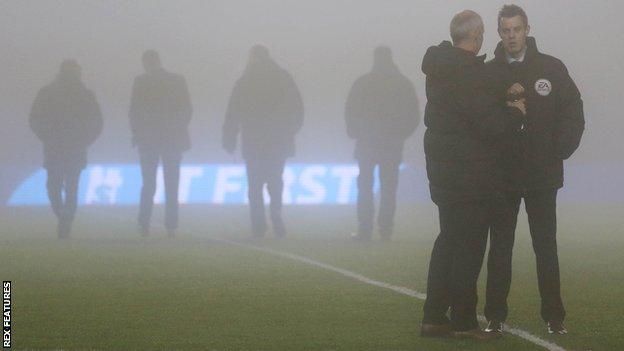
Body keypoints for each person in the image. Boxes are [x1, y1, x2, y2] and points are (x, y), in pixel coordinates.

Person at [420, 10, 527, 340]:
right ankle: (464, 322)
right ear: (479, 34)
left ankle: (434, 317)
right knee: (468, 247)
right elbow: (491, 126)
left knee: (448, 241)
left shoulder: (440, 69)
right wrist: (515, 111)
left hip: (444, 172)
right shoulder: (468, 73)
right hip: (469, 175)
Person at [483, 4, 585, 335]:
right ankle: (495, 316)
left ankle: (555, 318)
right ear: (499, 33)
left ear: (527, 29)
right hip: (502, 176)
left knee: (546, 246)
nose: (511, 35)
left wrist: (560, 149)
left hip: (542, 176)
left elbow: (573, 110)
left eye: (516, 29)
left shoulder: (552, 68)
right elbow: (478, 121)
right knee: (500, 247)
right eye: (505, 30)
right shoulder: (489, 74)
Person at [222, 45, 303, 238]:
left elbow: (233, 111)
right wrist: (291, 130)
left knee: (255, 184)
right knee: (275, 182)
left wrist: (229, 137)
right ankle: (276, 218)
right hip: (278, 140)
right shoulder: (283, 78)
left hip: (254, 139)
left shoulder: (245, 81)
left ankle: (258, 225)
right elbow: (297, 108)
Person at [345, 46, 420, 241]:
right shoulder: (402, 84)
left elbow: (350, 111)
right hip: (392, 145)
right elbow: (413, 115)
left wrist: (355, 132)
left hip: (367, 144)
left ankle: (365, 228)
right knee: (388, 187)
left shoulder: (363, 83)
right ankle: (386, 228)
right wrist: (400, 135)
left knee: (365, 185)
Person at [30, 59, 103, 238]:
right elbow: (35, 119)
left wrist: (47, 137)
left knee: (61, 186)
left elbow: (97, 122)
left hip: (65, 146)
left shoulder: (81, 94)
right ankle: (65, 216)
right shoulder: (55, 93)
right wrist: (85, 140)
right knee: (63, 186)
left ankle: (64, 217)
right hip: (64, 146)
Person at [129, 50, 192, 237]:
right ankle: (171, 225)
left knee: (148, 183)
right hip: (173, 139)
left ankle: (144, 223)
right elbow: (187, 109)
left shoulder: (141, 82)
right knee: (172, 182)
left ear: (145, 63)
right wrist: (178, 128)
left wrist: (137, 134)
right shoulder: (177, 80)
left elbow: (134, 111)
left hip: (148, 140)